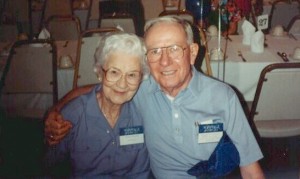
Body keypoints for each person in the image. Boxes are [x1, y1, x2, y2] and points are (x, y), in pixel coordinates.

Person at [45, 16, 265, 178]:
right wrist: (55, 111)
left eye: (175, 49)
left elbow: (250, 169)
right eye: (155, 51)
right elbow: (102, 88)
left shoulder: (223, 97)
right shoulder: (140, 88)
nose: (165, 61)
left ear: (193, 52)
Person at [44, 32, 150, 178]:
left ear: (141, 78)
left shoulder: (140, 114)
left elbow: (140, 173)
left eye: (132, 75)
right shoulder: (74, 114)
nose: (122, 84)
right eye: (114, 72)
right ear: (100, 73)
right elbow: (51, 167)